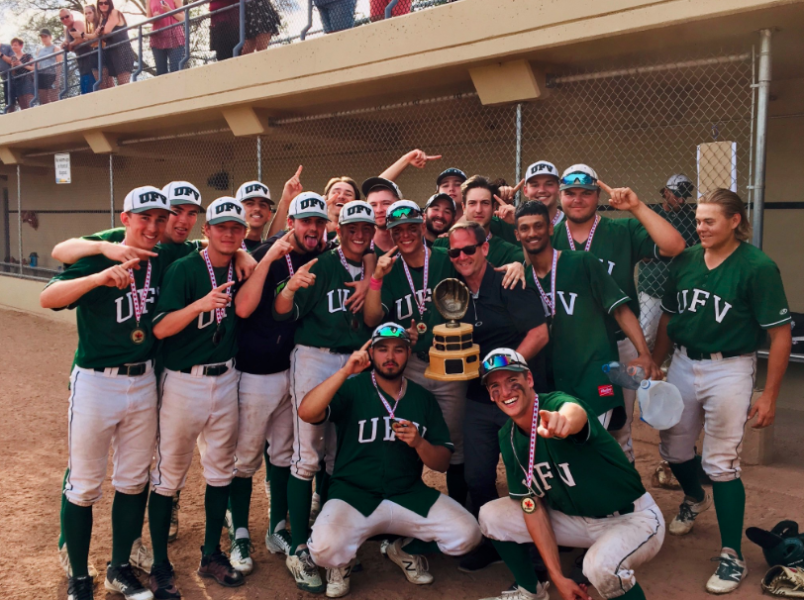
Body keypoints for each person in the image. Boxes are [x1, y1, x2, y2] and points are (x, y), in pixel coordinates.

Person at [652, 188, 792, 594]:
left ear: (735, 221)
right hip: (681, 361)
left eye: (710, 220)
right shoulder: (688, 260)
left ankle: (732, 555)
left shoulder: (757, 266)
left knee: (722, 462)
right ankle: (695, 498)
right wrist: (655, 362)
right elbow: (669, 316)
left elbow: (780, 335)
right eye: (698, 220)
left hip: (730, 367)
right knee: (673, 449)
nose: (701, 227)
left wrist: (769, 395)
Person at [39, 186, 177, 600]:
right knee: (83, 483)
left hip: (144, 379)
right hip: (97, 380)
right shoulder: (102, 251)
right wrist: (99, 273)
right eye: (144, 218)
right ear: (126, 218)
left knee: (133, 481)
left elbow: (221, 246)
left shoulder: (168, 253)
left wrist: (243, 254)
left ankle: (120, 568)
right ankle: (80, 575)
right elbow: (48, 295)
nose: (152, 227)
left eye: (160, 219)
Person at [300, 323, 482, 597]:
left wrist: (419, 443)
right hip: (353, 493)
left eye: (398, 350)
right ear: (371, 353)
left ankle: (404, 548)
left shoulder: (422, 398)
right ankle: (343, 560)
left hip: (407, 493)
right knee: (324, 548)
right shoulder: (353, 388)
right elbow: (307, 412)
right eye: (382, 349)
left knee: (468, 534)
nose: (390, 356)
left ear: (408, 354)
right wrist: (345, 371)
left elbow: (443, 462)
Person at [477, 348, 665, 600]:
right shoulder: (508, 438)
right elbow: (531, 507)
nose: (505, 391)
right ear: (491, 395)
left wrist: (562, 421)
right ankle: (530, 591)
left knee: (598, 568)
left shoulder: (554, 404)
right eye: (495, 386)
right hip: (574, 521)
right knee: (492, 515)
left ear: (529, 380)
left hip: (631, 519)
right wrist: (557, 576)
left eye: (513, 381)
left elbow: (573, 411)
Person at [273, 196, 384, 593]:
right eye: (350, 228)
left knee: (340, 454)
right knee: (307, 453)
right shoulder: (321, 264)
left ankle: (335, 538)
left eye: (364, 229)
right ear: (338, 231)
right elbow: (281, 311)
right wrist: (288, 289)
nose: (357, 234)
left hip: (354, 360)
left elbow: (373, 317)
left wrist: (372, 274)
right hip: (315, 359)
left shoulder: (377, 264)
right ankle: (299, 546)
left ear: (373, 232)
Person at [148, 197, 250, 597]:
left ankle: (211, 553)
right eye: (220, 226)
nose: (228, 233)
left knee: (221, 469)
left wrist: (247, 257)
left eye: (235, 228)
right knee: (169, 475)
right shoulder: (185, 269)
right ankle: (159, 564)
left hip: (226, 378)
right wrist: (201, 305)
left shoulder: (243, 267)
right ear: (205, 231)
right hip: (183, 382)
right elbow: (160, 329)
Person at [552, 164, 686, 463]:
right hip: (567, 349)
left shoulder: (621, 230)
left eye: (585, 193)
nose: (577, 199)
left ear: (597, 194)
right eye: (570, 193)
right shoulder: (548, 237)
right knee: (567, 421)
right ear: (560, 197)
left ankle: (625, 499)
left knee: (619, 427)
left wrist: (636, 207)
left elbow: (675, 245)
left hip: (621, 346)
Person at [446, 220, 549, 572]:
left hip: (516, 396)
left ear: (485, 248)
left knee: (530, 475)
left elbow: (539, 333)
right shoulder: (453, 291)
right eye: (455, 251)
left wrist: (505, 375)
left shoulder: (509, 281)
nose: (462, 256)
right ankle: (493, 543)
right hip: (477, 397)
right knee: (477, 476)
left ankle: (539, 549)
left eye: (469, 249)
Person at [224, 171, 311, 575]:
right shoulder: (247, 255)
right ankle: (239, 529)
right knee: (244, 458)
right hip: (252, 373)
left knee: (282, 452)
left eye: (265, 205)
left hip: (289, 371)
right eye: (249, 206)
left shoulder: (303, 250)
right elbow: (243, 309)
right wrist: (268, 256)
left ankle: (275, 525)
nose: (257, 211)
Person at [515, 200, 661, 428]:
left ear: (551, 228)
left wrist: (643, 352)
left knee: (603, 444)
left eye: (538, 226)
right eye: (525, 228)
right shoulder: (525, 279)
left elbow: (620, 310)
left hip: (594, 375)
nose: (532, 233)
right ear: (517, 234)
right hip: (557, 380)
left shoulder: (582, 262)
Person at [637, 174, 698, 348]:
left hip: (681, 285)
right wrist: (675, 250)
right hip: (653, 286)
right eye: (677, 195)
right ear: (665, 192)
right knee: (647, 334)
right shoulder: (651, 214)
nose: (681, 200)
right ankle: (641, 372)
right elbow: (643, 253)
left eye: (684, 196)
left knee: (678, 336)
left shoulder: (689, 217)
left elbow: (696, 248)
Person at [434, 175, 524, 266]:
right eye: (472, 203)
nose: (478, 210)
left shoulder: (508, 252)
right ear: (464, 207)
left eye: (485, 203)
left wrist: (519, 218)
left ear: (493, 207)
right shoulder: (443, 244)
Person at [85, 0, 136, 86]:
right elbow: (96, 36)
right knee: (116, 86)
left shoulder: (114, 12)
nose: (103, 5)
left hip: (122, 51)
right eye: (101, 3)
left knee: (124, 84)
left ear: (110, 3)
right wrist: (82, 35)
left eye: (106, 3)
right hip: (112, 53)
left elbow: (107, 30)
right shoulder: (102, 19)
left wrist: (99, 32)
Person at [362, 176, 402, 255]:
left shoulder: (414, 242)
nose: (379, 210)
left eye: (386, 203)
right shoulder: (358, 243)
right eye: (373, 205)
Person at [60, 10, 96, 94]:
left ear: (71, 16)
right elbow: (70, 46)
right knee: (85, 90)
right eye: (62, 18)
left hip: (90, 57)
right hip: (81, 61)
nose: (65, 19)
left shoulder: (77, 23)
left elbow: (81, 39)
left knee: (92, 87)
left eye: (67, 16)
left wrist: (70, 45)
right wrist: (65, 45)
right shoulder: (66, 30)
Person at [146, 0, 185, 76]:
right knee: (161, 71)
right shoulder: (149, 1)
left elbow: (183, 18)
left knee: (175, 69)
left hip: (174, 36)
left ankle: (176, 87)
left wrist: (169, 10)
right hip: (158, 37)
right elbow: (149, 19)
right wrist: (154, 17)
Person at [236, 180, 275, 252]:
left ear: (269, 215)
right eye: (250, 203)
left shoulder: (267, 247)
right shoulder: (228, 246)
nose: (257, 208)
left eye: (262, 205)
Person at [6, 38, 34, 110]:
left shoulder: (27, 56)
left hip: (27, 82)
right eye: (12, 45)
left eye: (15, 45)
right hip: (18, 83)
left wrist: (22, 64)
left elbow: (33, 68)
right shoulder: (13, 58)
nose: (13, 47)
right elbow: (13, 73)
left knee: (29, 103)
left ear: (21, 46)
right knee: (23, 105)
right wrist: (13, 66)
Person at [35, 29, 61, 104]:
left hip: (51, 74)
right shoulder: (39, 50)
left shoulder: (55, 48)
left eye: (45, 36)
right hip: (41, 75)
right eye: (42, 37)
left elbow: (59, 63)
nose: (44, 39)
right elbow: (38, 64)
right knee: (43, 99)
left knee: (53, 97)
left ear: (50, 37)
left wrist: (57, 78)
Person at [0, 40, 11, 108]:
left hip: (14, 77)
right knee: (8, 101)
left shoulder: (8, 47)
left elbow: (12, 61)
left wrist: (1, 54)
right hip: (5, 79)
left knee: (20, 99)